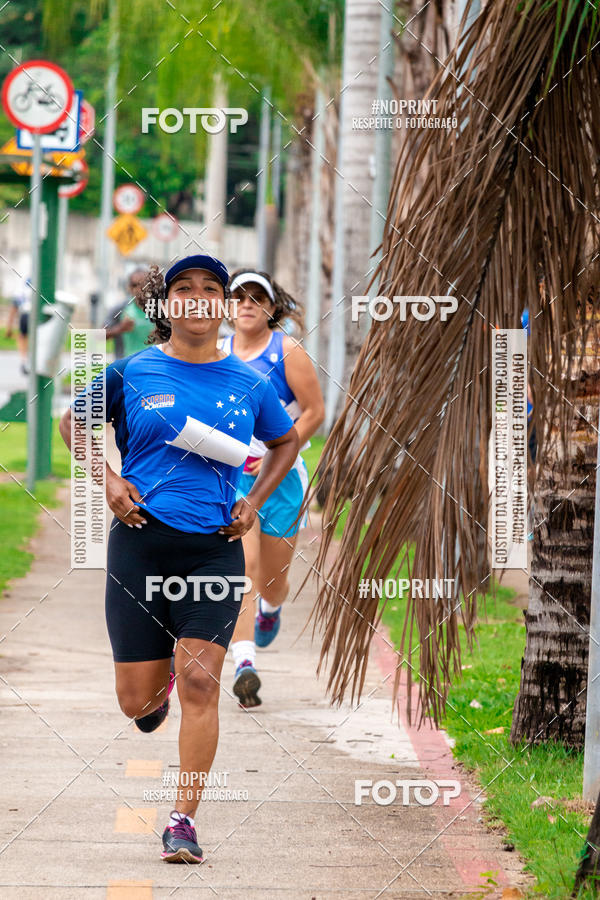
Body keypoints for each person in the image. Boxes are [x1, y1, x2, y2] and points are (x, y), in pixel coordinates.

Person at [59, 254, 299, 863]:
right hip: (141, 545)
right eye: (184, 288)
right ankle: (155, 686)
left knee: (201, 680)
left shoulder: (249, 381)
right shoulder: (130, 371)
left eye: (211, 288)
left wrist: (254, 502)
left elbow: (285, 440)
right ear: (166, 306)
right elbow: (72, 423)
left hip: (213, 549)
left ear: (224, 305)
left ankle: (183, 820)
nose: (197, 296)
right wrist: (108, 480)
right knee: (137, 703)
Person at [221, 269, 324, 708]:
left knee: (273, 580)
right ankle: (244, 664)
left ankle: (272, 609)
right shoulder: (216, 352)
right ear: (228, 307)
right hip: (231, 478)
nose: (246, 304)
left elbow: (314, 412)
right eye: (238, 297)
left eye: (256, 298)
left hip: (281, 478)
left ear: (271, 307)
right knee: (242, 567)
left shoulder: (287, 351)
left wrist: (277, 453)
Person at [103, 268, 154, 358]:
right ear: (129, 287)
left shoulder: (160, 309)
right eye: (135, 285)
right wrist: (120, 328)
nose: (139, 289)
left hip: (152, 363)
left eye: (144, 284)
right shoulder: (120, 309)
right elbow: (99, 336)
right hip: (125, 363)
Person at [5, 277, 32, 374]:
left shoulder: (20, 292)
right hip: (35, 315)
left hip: (25, 314)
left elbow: (13, 311)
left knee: (23, 337)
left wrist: (9, 328)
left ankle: (24, 361)